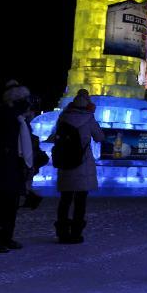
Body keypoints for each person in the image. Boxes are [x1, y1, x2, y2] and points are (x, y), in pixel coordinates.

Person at [0, 81, 33, 252]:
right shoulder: (6, 118)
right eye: (24, 98)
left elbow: (27, 142)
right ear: (16, 100)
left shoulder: (21, 120)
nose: (28, 101)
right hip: (4, 167)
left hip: (15, 166)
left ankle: (6, 237)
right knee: (1, 206)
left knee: (11, 205)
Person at [52, 89, 104, 244]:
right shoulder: (89, 118)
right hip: (83, 164)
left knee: (65, 200)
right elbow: (100, 137)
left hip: (66, 162)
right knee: (80, 201)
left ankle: (62, 232)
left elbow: (55, 136)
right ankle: (76, 233)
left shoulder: (63, 117)